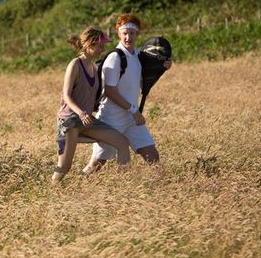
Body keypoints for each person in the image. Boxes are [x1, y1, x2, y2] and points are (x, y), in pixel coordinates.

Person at [83, 13, 172, 174]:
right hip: (111, 119)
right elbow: (110, 91)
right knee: (97, 164)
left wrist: (162, 67)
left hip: (131, 119)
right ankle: (72, 186)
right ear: (118, 33)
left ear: (137, 34)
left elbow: (144, 81)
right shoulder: (115, 58)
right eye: (124, 33)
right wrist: (133, 110)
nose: (128, 37)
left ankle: (162, 188)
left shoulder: (138, 56)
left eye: (131, 33)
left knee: (152, 156)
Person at [53, 28, 131, 183]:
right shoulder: (75, 64)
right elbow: (66, 96)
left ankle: (125, 186)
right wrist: (81, 113)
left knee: (122, 143)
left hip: (87, 120)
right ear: (89, 45)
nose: (102, 50)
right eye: (100, 46)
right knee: (64, 167)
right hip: (70, 121)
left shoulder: (95, 67)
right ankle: (52, 191)